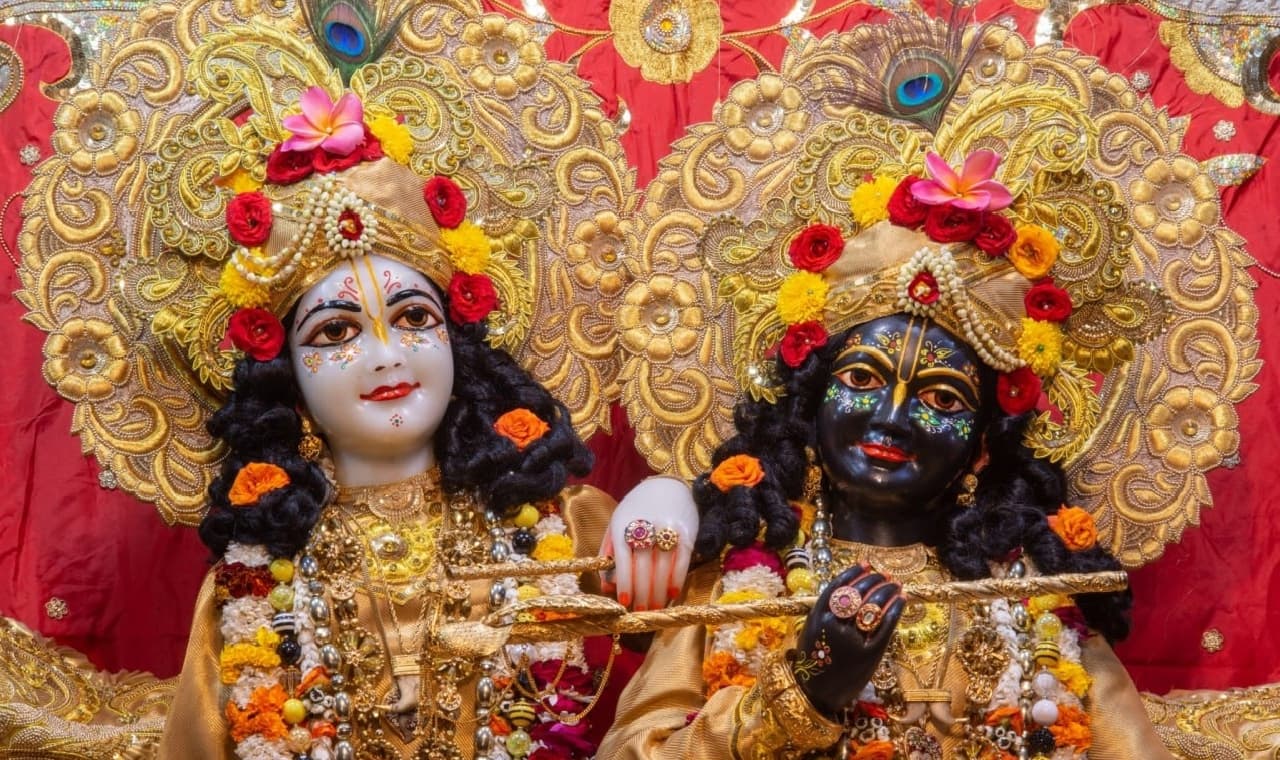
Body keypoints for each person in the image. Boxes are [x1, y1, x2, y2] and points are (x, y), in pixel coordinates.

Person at [14, 2, 697, 757]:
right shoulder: (257, 581)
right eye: (336, 332)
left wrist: (669, 503)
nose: (386, 354)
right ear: (285, 374)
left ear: (458, 340)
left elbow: (698, 636)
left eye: (413, 318)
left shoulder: (555, 523)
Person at [602, 8, 1257, 759]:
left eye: (943, 398)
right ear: (808, 403)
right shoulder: (733, 582)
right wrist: (805, 690)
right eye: (861, 377)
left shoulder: (1030, 601)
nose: (891, 417)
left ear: (984, 441)